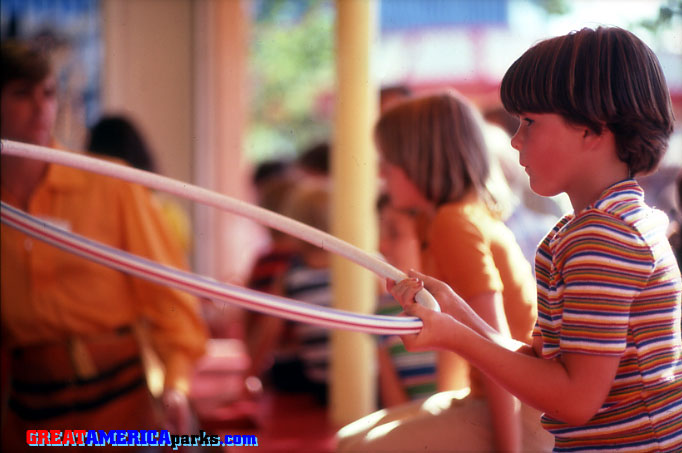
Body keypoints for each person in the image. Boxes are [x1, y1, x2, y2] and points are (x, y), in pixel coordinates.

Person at [390, 27, 681, 451]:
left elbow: (575, 400)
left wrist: (454, 337)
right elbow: (548, 368)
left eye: (530, 122)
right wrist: (454, 312)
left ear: (592, 129)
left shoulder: (601, 237)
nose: (514, 139)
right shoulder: (608, 224)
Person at [0, 40, 207, 450]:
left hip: (121, 402)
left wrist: (176, 383)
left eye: (49, 93)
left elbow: (168, 293)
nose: (41, 108)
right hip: (31, 407)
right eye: (22, 94)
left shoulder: (110, 183)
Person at [342, 90, 542, 452]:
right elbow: (454, 346)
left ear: (422, 161)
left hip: (522, 408)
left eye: (390, 160)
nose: (381, 172)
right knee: (350, 440)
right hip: (490, 398)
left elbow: (495, 347)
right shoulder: (443, 221)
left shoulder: (454, 225)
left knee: (360, 448)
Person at [374, 193, 438, 407]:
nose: (381, 246)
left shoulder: (453, 303)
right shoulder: (383, 310)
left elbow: (451, 395)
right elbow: (394, 403)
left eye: (394, 233)